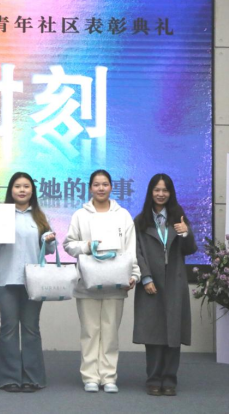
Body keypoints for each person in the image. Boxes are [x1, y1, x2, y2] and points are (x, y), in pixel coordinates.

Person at [63, 169, 140, 394]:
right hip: (87, 282)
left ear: (111, 187)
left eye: (105, 184)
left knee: (110, 332)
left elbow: (131, 248)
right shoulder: (80, 215)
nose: (101, 188)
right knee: (89, 331)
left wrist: (134, 274)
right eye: (96, 184)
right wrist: (87, 246)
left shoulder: (123, 215)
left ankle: (108, 376)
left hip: (116, 281)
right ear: (90, 188)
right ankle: (90, 376)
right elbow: (68, 245)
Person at [0, 172, 56, 393]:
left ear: (32, 190)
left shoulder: (40, 217)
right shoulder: (0, 215)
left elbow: (49, 250)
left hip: (34, 281)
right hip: (6, 280)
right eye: (17, 186)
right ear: (11, 190)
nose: (22, 190)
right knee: (9, 328)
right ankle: (9, 378)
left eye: (26, 186)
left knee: (31, 329)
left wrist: (50, 239)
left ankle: (33, 378)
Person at [133, 173, 197, 397]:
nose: (161, 194)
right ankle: (153, 379)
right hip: (151, 283)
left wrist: (185, 233)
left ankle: (170, 379)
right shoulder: (140, 220)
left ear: (171, 193)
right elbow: (137, 253)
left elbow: (190, 249)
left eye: (165, 190)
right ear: (151, 192)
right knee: (153, 334)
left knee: (173, 333)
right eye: (157, 190)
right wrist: (146, 278)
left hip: (175, 282)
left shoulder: (179, 217)